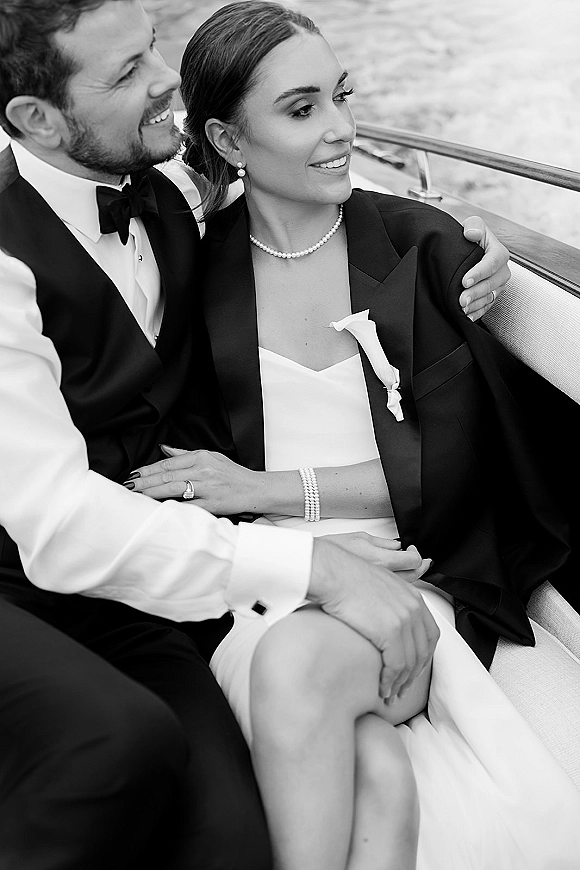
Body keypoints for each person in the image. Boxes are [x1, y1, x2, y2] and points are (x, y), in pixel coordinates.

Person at [0, 0, 512, 866]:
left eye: (153, 46)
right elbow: (53, 521)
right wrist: (313, 562)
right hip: (35, 576)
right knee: (117, 746)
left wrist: (454, 226)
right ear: (37, 120)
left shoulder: (165, 198)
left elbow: (298, 190)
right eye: (126, 73)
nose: (165, 78)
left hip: (169, 583)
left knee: (243, 838)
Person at [129, 3, 580, 869]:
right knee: (370, 764)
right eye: (302, 111)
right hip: (259, 586)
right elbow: (178, 468)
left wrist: (272, 493)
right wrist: (285, 546)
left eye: (342, 95)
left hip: (419, 570)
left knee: (308, 676)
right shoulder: (189, 270)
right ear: (226, 141)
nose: (342, 130)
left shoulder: (425, 248)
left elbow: (454, 469)